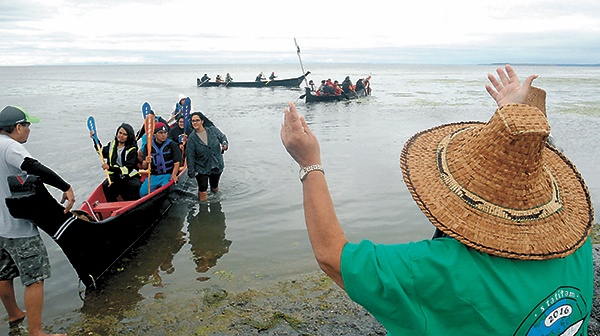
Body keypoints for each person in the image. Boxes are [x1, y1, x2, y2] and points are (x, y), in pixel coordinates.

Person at [280, 65, 593, 335]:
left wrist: (309, 162)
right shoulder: (577, 246)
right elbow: (534, 162)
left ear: (452, 189)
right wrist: (515, 122)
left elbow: (333, 256)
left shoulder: (438, 271)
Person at [0, 106, 73, 336]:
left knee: (4, 274)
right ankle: (36, 332)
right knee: (35, 279)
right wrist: (66, 187)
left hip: (0, 228)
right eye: (28, 125)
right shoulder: (11, 147)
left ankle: (14, 314)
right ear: (17, 127)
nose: (30, 130)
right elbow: (34, 168)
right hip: (19, 228)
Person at [90, 123, 141, 202]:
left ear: (129, 136)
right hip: (116, 175)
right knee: (106, 185)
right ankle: (112, 205)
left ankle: (133, 203)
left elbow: (127, 169)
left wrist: (109, 168)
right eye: (120, 133)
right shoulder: (112, 145)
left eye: (124, 134)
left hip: (129, 176)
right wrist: (95, 139)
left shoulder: (132, 149)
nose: (121, 136)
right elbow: (102, 153)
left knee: (135, 185)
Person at [186, 112, 228, 202]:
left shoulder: (212, 130)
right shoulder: (192, 138)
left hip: (216, 164)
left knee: (214, 186)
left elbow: (223, 137)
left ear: (202, 121)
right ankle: (203, 209)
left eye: (197, 120)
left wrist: (225, 144)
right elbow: (190, 155)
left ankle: (217, 205)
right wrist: (191, 171)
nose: (195, 123)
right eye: (193, 121)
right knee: (202, 188)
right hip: (201, 167)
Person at [138, 122, 182, 197]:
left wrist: (174, 175)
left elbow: (177, 162)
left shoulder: (172, 145)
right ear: (155, 134)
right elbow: (144, 166)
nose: (163, 135)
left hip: (167, 174)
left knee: (165, 191)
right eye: (160, 133)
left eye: (165, 133)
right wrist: (146, 161)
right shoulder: (148, 147)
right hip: (154, 175)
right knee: (142, 192)